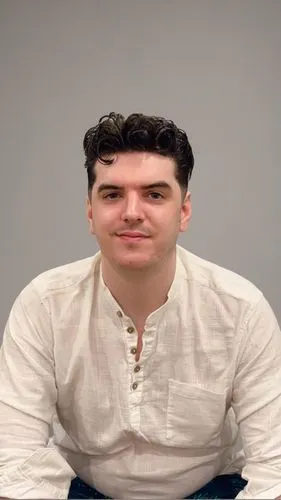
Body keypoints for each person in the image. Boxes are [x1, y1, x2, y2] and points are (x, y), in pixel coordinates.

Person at [0, 112, 280, 500]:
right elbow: (15, 459)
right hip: (83, 490)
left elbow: (275, 467)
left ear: (183, 210)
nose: (132, 211)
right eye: (113, 194)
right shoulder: (43, 306)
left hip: (213, 489)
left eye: (154, 194)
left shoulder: (242, 310)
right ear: (90, 211)